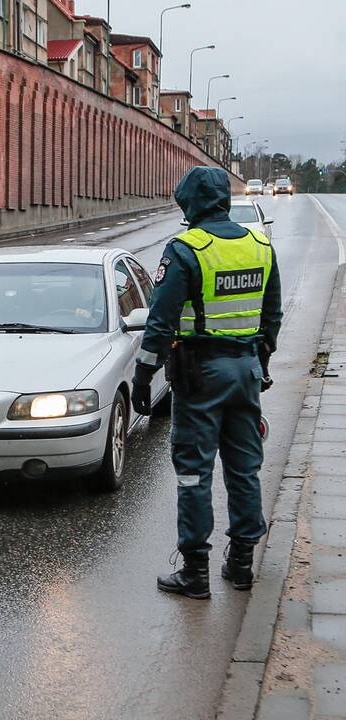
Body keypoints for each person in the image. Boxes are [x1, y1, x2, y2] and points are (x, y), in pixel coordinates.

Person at [132, 167, 282, 599]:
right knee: (245, 468)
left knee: (194, 473)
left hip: (200, 376)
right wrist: (261, 360)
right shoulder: (259, 245)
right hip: (246, 371)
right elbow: (271, 317)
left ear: (191, 203)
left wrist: (144, 374)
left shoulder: (185, 249)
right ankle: (241, 566)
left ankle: (194, 571)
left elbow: (159, 323)